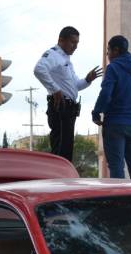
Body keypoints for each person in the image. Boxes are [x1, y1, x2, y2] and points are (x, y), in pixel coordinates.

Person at [33, 26, 102, 162]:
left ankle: (61, 174)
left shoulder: (66, 60)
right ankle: (57, 175)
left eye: (77, 43)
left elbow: (75, 86)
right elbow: (39, 69)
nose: (75, 46)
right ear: (61, 40)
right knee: (60, 150)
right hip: (60, 106)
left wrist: (87, 80)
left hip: (68, 108)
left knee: (66, 149)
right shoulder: (53, 54)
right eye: (72, 42)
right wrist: (55, 89)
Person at [92, 35, 131, 180]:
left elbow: (106, 93)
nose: (107, 54)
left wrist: (96, 112)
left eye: (108, 50)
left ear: (116, 50)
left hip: (114, 124)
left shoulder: (113, 68)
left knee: (116, 167)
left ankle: (118, 195)